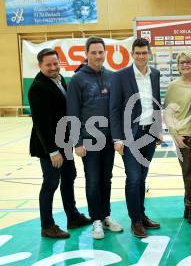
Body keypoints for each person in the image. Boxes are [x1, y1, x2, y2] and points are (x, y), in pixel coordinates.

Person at [29, 48, 91, 239]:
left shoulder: (60, 79)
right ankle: (47, 225)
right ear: (40, 66)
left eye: (56, 63)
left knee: (69, 177)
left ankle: (72, 216)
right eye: (48, 65)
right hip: (50, 147)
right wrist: (53, 151)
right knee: (51, 183)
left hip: (65, 144)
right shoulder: (37, 88)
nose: (53, 67)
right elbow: (42, 124)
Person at [67, 37, 123, 240]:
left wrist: (118, 137)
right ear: (86, 54)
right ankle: (96, 220)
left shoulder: (112, 77)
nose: (98, 56)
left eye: (101, 52)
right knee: (92, 180)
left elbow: (116, 109)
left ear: (105, 53)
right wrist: (77, 141)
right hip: (88, 140)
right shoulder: (77, 80)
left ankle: (106, 216)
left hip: (108, 139)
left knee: (106, 180)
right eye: (94, 52)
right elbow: (72, 112)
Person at [109, 37, 162, 238]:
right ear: (132, 54)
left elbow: (156, 104)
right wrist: (117, 138)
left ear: (149, 54)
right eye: (137, 53)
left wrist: (158, 129)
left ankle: (142, 215)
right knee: (133, 177)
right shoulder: (120, 76)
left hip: (149, 133)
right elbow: (114, 109)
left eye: (144, 53)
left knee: (142, 177)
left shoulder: (155, 74)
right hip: (129, 135)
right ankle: (135, 221)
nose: (141, 56)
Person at [164, 52, 191, 228]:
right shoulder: (174, 86)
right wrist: (175, 134)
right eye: (182, 62)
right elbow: (168, 112)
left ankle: (189, 208)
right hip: (184, 136)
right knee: (190, 176)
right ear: (178, 66)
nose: (185, 65)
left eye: (189, 62)